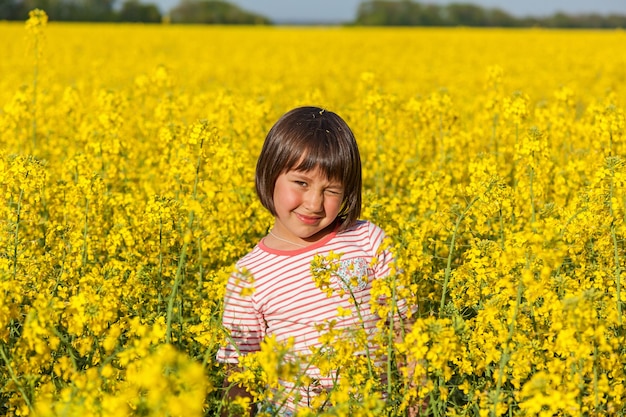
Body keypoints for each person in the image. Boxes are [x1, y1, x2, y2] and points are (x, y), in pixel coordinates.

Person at [217, 106, 411, 416]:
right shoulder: (248, 276)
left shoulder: (367, 240)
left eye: (331, 190)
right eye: (301, 184)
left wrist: (417, 397)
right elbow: (239, 375)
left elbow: (404, 330)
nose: (314, 203)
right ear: (270, 176)